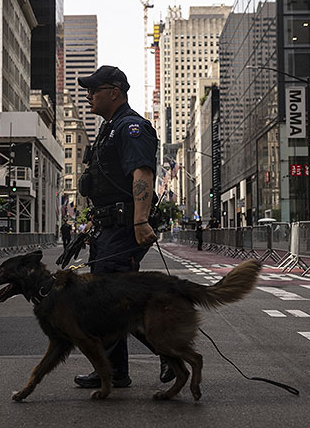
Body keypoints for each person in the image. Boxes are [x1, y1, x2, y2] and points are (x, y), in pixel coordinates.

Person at [73, 65, 174, 390]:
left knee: (114, 302)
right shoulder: (110, 129)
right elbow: (106, 184)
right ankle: (114, 371)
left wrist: (140, 220)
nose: (89, 96)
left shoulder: (131, 127)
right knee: (109, 300)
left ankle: (168, 353)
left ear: (114, 92)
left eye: (94, 90)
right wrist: (92, 223)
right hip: (108, 227)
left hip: (124, 227)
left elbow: (141, 174)